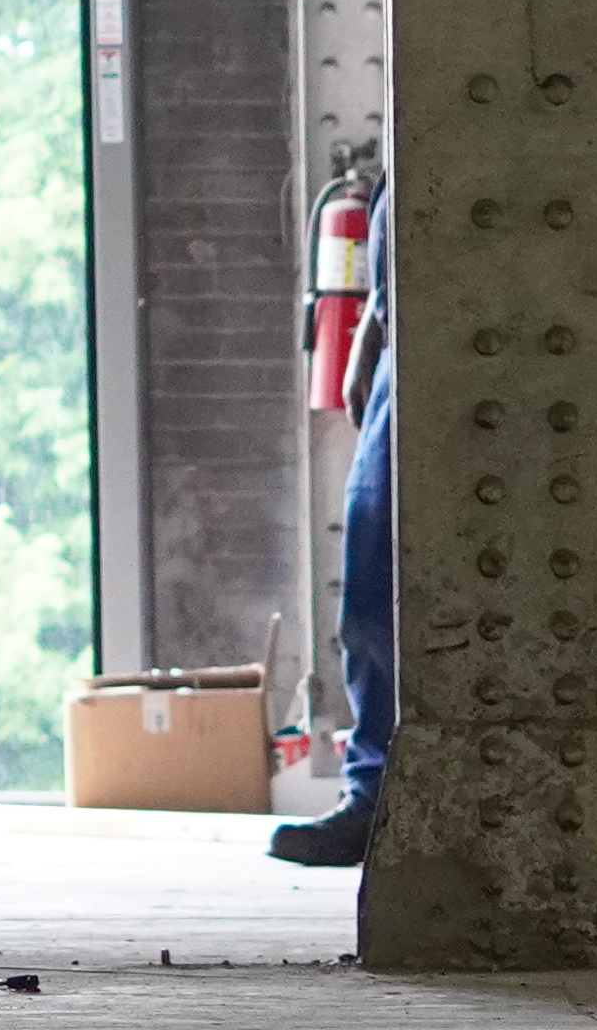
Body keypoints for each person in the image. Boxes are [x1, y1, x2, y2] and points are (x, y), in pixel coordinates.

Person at [275, 182, 394, 867]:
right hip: (396, 360)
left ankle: (377, 794)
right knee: (372, 588)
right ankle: (373, 794)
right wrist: (369, 335)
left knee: (378, 587)